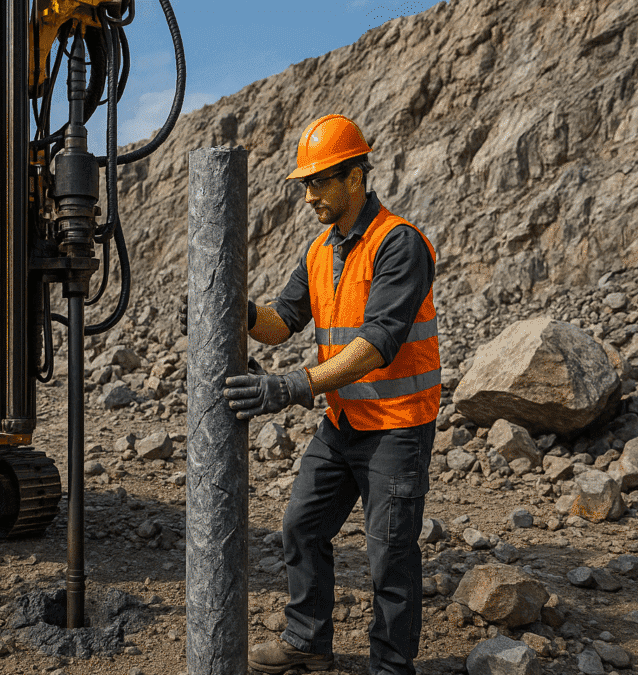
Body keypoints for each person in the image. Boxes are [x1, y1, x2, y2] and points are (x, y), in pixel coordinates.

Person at [222, 114, 440, 675]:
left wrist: (292, 386)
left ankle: (391, 665)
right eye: (306, 184)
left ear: (356, 179)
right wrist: (235, 310)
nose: (309, 195)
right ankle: (308, 642)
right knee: (301, 525)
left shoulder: (399, 244)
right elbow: (282, 320)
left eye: (319, 182)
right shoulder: (321, 250)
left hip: (396, 423)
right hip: (343, 422)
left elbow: (377, 344)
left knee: (390, 553)